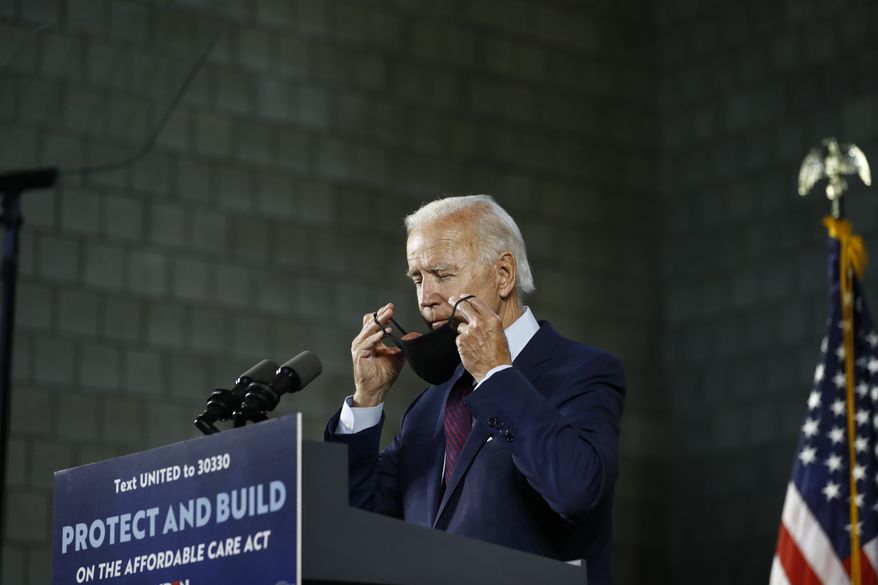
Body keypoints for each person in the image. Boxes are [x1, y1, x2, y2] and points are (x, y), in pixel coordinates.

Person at [324, 195, 625, 585]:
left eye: (442, 274)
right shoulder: (427, 409)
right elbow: (353, 528)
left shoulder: (584, 372)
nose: (425, 298)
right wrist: (367, 401)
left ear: (503, 274)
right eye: (417, 278)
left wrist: (497, 374)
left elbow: (575, 490)